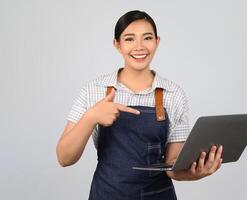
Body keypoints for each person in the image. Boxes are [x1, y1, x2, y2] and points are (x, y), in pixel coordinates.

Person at [56, 10, 223, 200]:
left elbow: (172, 167)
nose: (139, 47)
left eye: (147, 38)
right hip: (107, 194)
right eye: (129, 39)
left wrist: (195, 172)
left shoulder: (173, 94)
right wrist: (92, 116)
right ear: (117, 44)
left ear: (157, 42)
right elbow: (64, 158)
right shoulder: (93, 90)